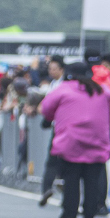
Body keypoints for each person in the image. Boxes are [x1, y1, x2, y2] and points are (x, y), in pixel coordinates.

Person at [40, 62, 110, 218]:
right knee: (92, 179)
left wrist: (52, 118)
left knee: (71, 178)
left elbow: (46, 108)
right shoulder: (102, 90)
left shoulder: (64, 88)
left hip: (71, 140)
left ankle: (70, 211)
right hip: (97, 139)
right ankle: (90, 211)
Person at [38, 55, 66, 207]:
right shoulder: (53, 84)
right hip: (57, 125)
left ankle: (54, 189)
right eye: (50, 68)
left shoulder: (64, 85)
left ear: (62, 69)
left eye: (54, 69)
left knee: (57, 160)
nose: (51, 71)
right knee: (53, 160)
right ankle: (46, 189)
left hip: (62, 126)